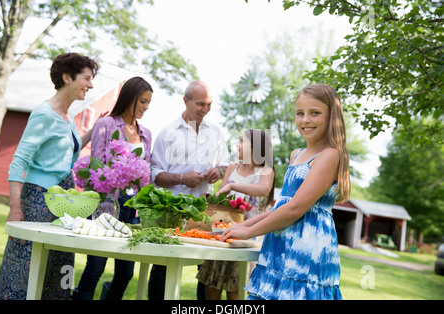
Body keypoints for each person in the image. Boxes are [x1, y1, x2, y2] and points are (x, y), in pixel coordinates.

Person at [220, 84, 351, 300]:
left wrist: (249, 233)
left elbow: (296, 208)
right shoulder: (296, 154)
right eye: (300, 113)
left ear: (332, 117)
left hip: (306, 252)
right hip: (279, 246)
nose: (305, 120)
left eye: (315, 113)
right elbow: (282, 206)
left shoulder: (329, 156)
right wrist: (243, 224)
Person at [0, 53, 99, 300]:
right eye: (86, 78)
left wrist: (93, 132)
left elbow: (65, 158)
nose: (91, 85)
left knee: (58, 268)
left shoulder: (68, 117)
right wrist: (15, 207)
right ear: (66, 78)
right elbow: (19, 161)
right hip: (38, 201)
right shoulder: (45, 113)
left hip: (64, 203)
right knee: (26, 264)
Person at [72, 77, 153, 300]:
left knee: (126, 273)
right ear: (130, 98)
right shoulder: (105, 125)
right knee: (95, 267)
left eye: (148, 103)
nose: (146, 107)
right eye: (143, 102)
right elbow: (97, 167)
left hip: (131, 210)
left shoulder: (146, 133)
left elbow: (146, 173)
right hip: (105, 205)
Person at [149, 80, 230, 300]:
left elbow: (225, 166)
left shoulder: (215, 132)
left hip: (203, 210)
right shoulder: (167, 133)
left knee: (204, 266)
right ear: (186, 101)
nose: (205, 109)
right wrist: (182, 178)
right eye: (201, 104)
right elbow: (154, 174)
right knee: (163, 264)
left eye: (210, 104)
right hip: (171, 210)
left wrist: (217, 171)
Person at [196, 129, 275, 300]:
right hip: (223, 235)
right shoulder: (232, 168)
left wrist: (233, 186)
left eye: (242, 141)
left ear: (255, 147)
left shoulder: (266, 171)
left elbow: (264, 189)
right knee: (212, 285)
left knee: (236, 291)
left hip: (247, 239)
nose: (237, 145)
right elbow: (220, 199)